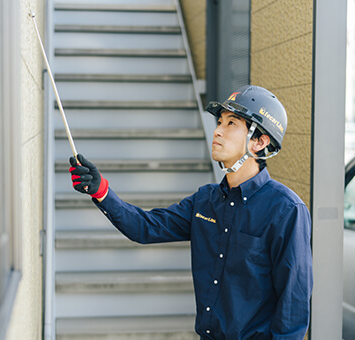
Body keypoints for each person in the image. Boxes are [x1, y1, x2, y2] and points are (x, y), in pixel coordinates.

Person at [69, 85, 313, 339]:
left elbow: (293, 308)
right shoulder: (205, 201)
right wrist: (100, 191)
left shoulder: (286, 211)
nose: (217, 131)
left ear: (259, 142)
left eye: (232, 123)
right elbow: (144, 227)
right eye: (220, 122)